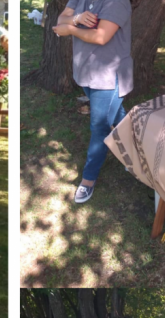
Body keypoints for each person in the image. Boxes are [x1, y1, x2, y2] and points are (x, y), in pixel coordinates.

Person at [52, 0, 132, 204]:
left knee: (99, 127)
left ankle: (88, 180)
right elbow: (61, 17)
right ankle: (136, 152)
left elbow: (101, 36)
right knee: (117, 115)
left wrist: (70, 28)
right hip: (86, 72)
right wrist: (77, 19)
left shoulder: (117, 3)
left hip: (108, 76)